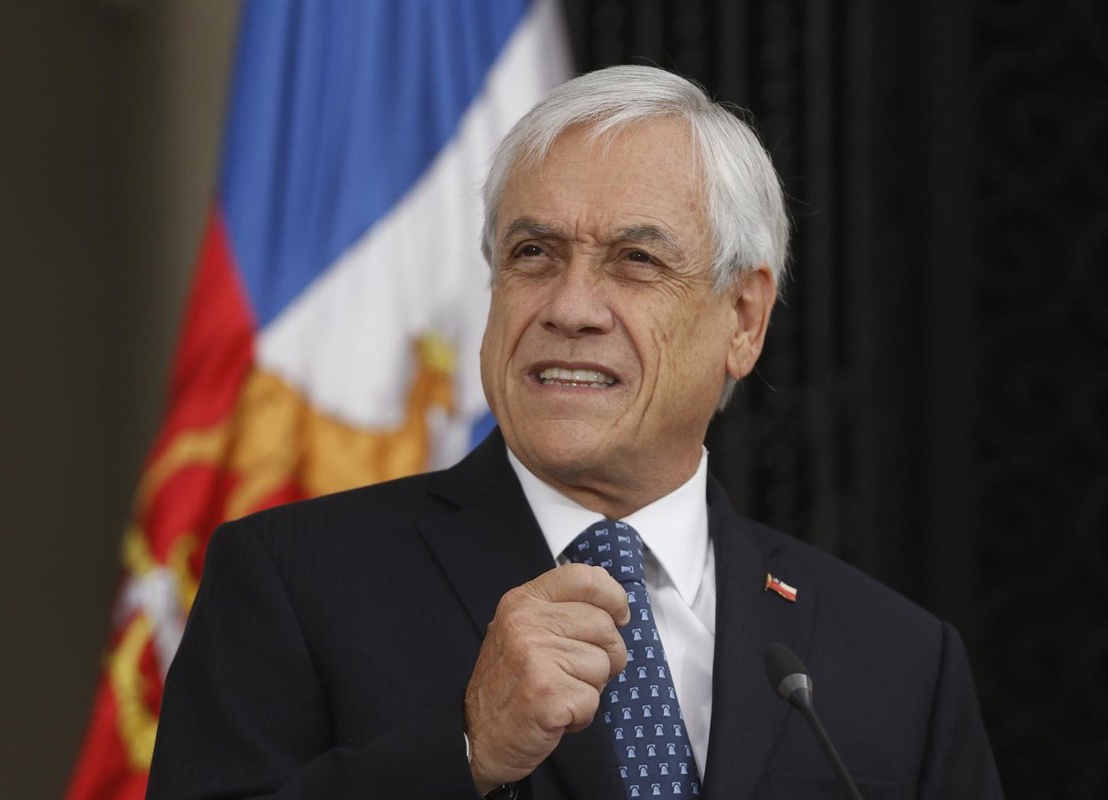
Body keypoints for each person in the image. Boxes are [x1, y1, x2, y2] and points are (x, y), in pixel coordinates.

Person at [148, 65, 1002, 800]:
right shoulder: (293, 583)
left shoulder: (900, 661)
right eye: (534, 253)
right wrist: (465, 750)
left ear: (744, 319)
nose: (570, 308)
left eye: (636, 260)